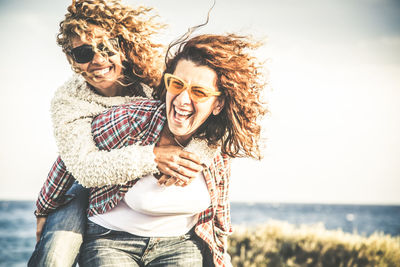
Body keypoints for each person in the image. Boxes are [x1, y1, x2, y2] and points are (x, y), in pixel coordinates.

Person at [29, 0, 205, 266]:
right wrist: (154, 157)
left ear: (122, 45)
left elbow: (195, 117)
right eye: (83, 53)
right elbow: (82, 167)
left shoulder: (154, 79)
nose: (98, 60)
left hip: (141, 206)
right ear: (70, 58)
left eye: (107, 47)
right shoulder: (69, 100)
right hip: (87, 184)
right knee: (54, 255)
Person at [76, 33, 267, 266]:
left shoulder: (217, 148)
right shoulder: (134, 118)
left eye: (199, 92)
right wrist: (44, 211)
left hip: (180, 245)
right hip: (111, 239)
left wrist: (221, 259)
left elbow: (219, 218)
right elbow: (74, 159)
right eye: (177, 85)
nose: (182, 100)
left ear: (218, 104)